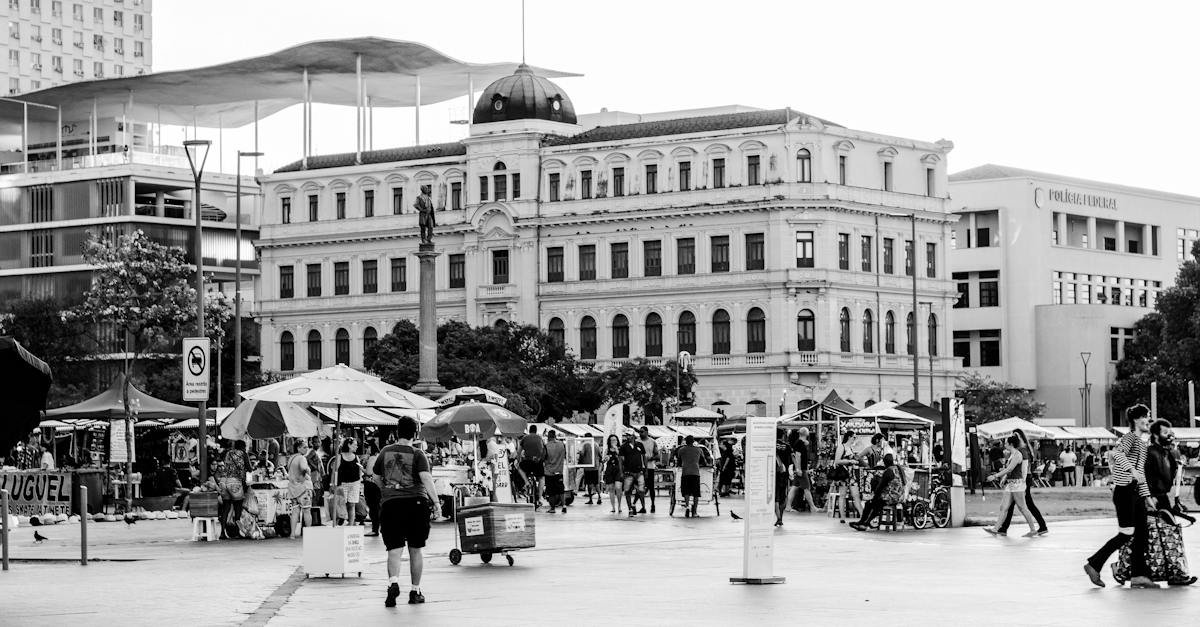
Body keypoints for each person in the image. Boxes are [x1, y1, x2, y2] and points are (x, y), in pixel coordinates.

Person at [1113, 419, 1196, 586]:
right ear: (1156, 435)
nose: (1169, 436)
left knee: (1169, 536)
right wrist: (1148, 497)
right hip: (1151, 498)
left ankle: (1176, 573)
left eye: (1169, 432)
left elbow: (1169, 477)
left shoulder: (1167, 454)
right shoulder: (1150, 452)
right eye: (1165, 433)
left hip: (1162, 497)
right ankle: (1123, 568)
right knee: (1148, 538)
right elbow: (1144, 475)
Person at [1084, 404, 1154, 588]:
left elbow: (1141, 473)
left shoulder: (1143, 443)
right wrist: (1131, 470)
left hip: (1136, 493)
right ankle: (1094, 564)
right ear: (1137, 420)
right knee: (1127, 533)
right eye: (1146, 417)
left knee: (1142, 533)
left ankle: (1138, 575)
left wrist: (1147, 496)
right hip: (1124, 492)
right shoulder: (1129, 437)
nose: (1148, 420)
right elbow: (1116, 454)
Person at [373, 416, 439, 607]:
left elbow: (375, 476)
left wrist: (387, 489)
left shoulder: (385, 451)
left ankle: (393, 582)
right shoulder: (418, 454)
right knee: (415, 549)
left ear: (397, 431)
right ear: (415, 433)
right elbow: (425, 478)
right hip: (415, 503)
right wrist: (436, 502)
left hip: (391, 504)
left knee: (394, 549)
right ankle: (414, 590)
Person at [994, 428, 1049, 536]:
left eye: (1015, 435)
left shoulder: (1022, 450)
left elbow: (1024, 468)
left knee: (1025, 505)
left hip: (1023, 479)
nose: (1013, 437)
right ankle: (1003, 528)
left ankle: (1041, 526)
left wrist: (1022, 482)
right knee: (1014, 504)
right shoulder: (1021, 450)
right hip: (1020, 479)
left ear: (1019, 437)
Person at [983, 434, 1039, 537]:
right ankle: (995, 529)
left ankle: (1033, 529)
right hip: (1011, 484)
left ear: (1011, 444)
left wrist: (995, 476)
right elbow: (1009, 470)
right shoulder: (1012, 455)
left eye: (1006, 443)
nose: (1004, 444)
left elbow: (1009, 469)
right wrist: (1004, 478)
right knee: (1003, 507)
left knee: (1022, 508)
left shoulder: (1017, 455)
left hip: (1017, 484)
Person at [849, 454, 903, 531]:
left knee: (872, 504)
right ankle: (863, 523)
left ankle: (864, 523)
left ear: (884, 462)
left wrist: (874, 497)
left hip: (890, 497)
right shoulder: (897, 469)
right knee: (874, 504)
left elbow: (880, 487)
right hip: (898, 496)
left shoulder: (888, 471)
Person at [217, 440, 250, 534]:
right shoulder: (243, 453)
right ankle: (239, 531)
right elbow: (249, 468)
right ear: (243, 447)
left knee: (225, 508)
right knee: (238, 509)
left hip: (223, 481)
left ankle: (222, 532)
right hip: (235, 482)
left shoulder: (228, 453)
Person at [829, 431, 863, 521]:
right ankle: (842, 517)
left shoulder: (850, 448)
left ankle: (862, 515)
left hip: (851, 474)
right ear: (849, 437)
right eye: (854, 437)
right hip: (843, 474)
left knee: (856, 495)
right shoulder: (842, 447)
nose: (854, 439)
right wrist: (849, 461)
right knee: (842, 495)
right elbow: (837, 461)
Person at [675, 435, 711, 518]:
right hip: (695, 473)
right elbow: (704, 461)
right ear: (693, 441)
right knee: (696, 493)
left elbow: (679, 460)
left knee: (686, 492)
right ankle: (694, 512)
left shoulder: (681, 450)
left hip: (685, 472)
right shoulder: (699, 450)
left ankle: (687, 506)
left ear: (686, 442)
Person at [785, 428, 819, 513]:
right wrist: (798, 469)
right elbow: (797, 456)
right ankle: (812, 507)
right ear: (806, 433)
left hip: (800, 469)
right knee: (806, 488)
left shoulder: (800, 443)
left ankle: (788, 506)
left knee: (794, 487)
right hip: (801, 469)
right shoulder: (799, 443)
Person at [330, 438, 362, 526]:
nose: (357, 447)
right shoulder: (340, 457)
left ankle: (351, 524)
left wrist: (360, 482)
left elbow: (359, 471)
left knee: (352, 504)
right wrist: (332, 484)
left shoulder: (356, 457)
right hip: (342, 484)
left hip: (354, 483)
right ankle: (337, 523)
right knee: (340, 504)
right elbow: (334, 471)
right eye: (355, 445)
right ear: (349, 445)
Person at [286, 441, 314, 538]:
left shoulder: (291, 458)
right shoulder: (302, 458)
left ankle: (292, 534)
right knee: (306, 511)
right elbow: (303, 468)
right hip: (302, 488)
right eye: (304, 447)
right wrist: (306, 473)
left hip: (293, 489)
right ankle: (309, 533)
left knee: (295, 511)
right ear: (298, 448)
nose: (306, 449)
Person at [619, 431, 646, 517]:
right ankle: (630, 508)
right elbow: (620, 460)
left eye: (629, 435)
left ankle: (640, 505)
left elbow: (644, 457)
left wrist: (645, 469)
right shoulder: (623, 447)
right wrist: (621, 472)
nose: (628, 437)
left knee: (641, 490)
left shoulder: (640, 445)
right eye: (626, 435)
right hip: (628, 472)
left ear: (634, 436)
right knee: (627, 491)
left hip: (639, 471)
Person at [518, 426, 546, 509]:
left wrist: (518, 460)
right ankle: (540, 497)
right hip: (538, 462)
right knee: (541, 478)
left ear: (529, 431)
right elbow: (544, 450)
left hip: (528, 462)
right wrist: (542, 460)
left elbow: (519, 451)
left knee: (520, 468)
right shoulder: (540, 438)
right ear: (536, 431)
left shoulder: (524, 438)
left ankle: (526, 482)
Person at [543, 430, 567, 514]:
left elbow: (543, 457)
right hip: (559, 471)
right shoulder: (561, 444)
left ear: (548, 437)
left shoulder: (546, 446)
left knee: (551, 491)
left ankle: (552, 508)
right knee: (561, 489)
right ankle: (564, 506)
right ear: (555, 436)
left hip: (549, 472)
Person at [637, 426, 660, 514]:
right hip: (639, 467)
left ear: (647, 432)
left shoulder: (652, 442)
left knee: (651, 487)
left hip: (650, 467)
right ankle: (642, 506)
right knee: (640, 487)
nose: (640, 433)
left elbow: (657, 455)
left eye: (642, 431)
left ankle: (653, 504)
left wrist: (650, 458)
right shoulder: (637, 442)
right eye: (639, 432)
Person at [362, 441, 382, 536]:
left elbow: (369, 472)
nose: (367, 449)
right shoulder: (379, 456)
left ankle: (375, 529)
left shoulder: (372, 458)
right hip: (378, 485)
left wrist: (362, 469)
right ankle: (377, 528)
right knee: (377, 507)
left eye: (368, 447)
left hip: (371, 485)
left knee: (373, 507)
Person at [602, 435, 624, 514]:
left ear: (617, 441)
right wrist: (605, 459)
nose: (613, 442)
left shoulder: (620, 449)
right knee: (611, 488)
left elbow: (622, 459)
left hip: (618, 469)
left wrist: (616, 450)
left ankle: (619, 506)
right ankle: (613, 507)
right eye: (612, 440)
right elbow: (603, 460)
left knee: (618, 487)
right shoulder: (607, 450)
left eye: (615, 440)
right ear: (609, 441)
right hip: (610, 470)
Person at [576, 437, 601, 505]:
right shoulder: (596, 444)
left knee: (589, 483)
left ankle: (590, 499)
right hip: (595, 467)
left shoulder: (585, 444)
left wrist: (579, 452)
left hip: (588, 467)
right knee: (596, 483)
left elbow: (582, 453)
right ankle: (599, 497)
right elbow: (599, 454)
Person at [774, 429, 790, 526]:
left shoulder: (771, 445)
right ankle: (781, 517)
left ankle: (778, 517)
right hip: (784, 474)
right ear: (783, 435)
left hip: (774, 474)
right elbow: (790, 460)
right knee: (782, 497)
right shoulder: (787, 446)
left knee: (775, 497)